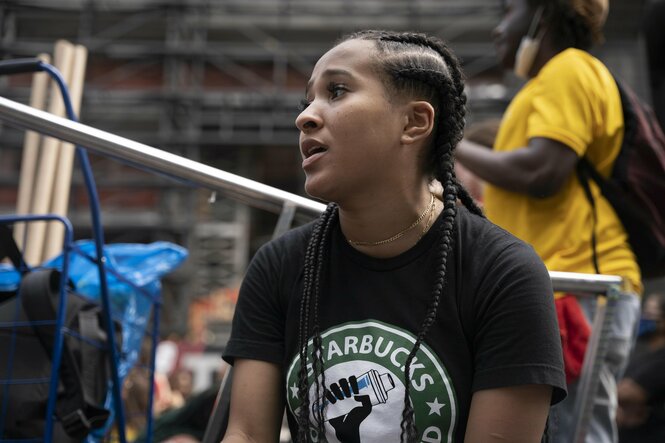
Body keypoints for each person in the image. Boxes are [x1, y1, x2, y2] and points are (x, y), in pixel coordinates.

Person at [221, 30, 566, 442]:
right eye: (307, 100)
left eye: (337, 90)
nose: (306, 116)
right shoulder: (277, 266)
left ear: (414, 122)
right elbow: (245, 433)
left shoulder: (506, 273)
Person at [455, 1, 642, 442]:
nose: (499, 28)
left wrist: (451, 143)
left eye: (509, 12)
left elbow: (542, 171)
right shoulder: (548, 83)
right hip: (561, 287)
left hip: (582, 288)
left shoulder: (569, 69)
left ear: (544, 13)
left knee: (576, 433)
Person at [617, 292, 665, 443]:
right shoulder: (645, 355)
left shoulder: (661, 359)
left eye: (650, 313)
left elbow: (627, 393)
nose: (644, 318)